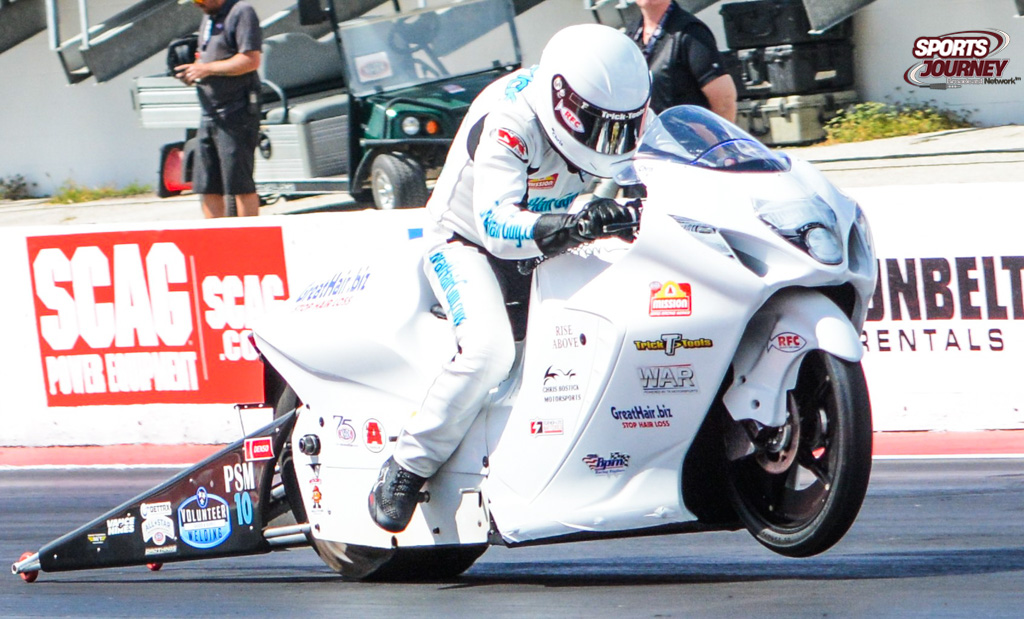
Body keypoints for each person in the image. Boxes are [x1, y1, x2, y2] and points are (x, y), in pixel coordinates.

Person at [368, 24, 652, 533]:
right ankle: (408, 464)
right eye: (600, 128)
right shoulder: (511, 119)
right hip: (466, 241)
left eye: (621, 129)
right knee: (490, 352)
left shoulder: (619, 108)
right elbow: (496, 226)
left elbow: (655, 166)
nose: (610, 142)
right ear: (564, 102)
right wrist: (573, 225)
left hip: (559, 233)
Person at [175, 0, 262, 218]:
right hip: (209, 112)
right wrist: (193, 71)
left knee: (239, 184)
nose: (197, 4)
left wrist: (207, 69)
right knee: (207, 185)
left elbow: (250, 60)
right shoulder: (209, 16)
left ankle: (248, 236)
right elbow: (206, 60)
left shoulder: (241, 12)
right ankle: (215, 235)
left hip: (236, 110)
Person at [629, 0, 737, 121]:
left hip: (684, 131)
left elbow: (724, 101)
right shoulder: (630, 36)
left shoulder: (692, 32)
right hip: (646, 131)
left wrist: (711, 133)